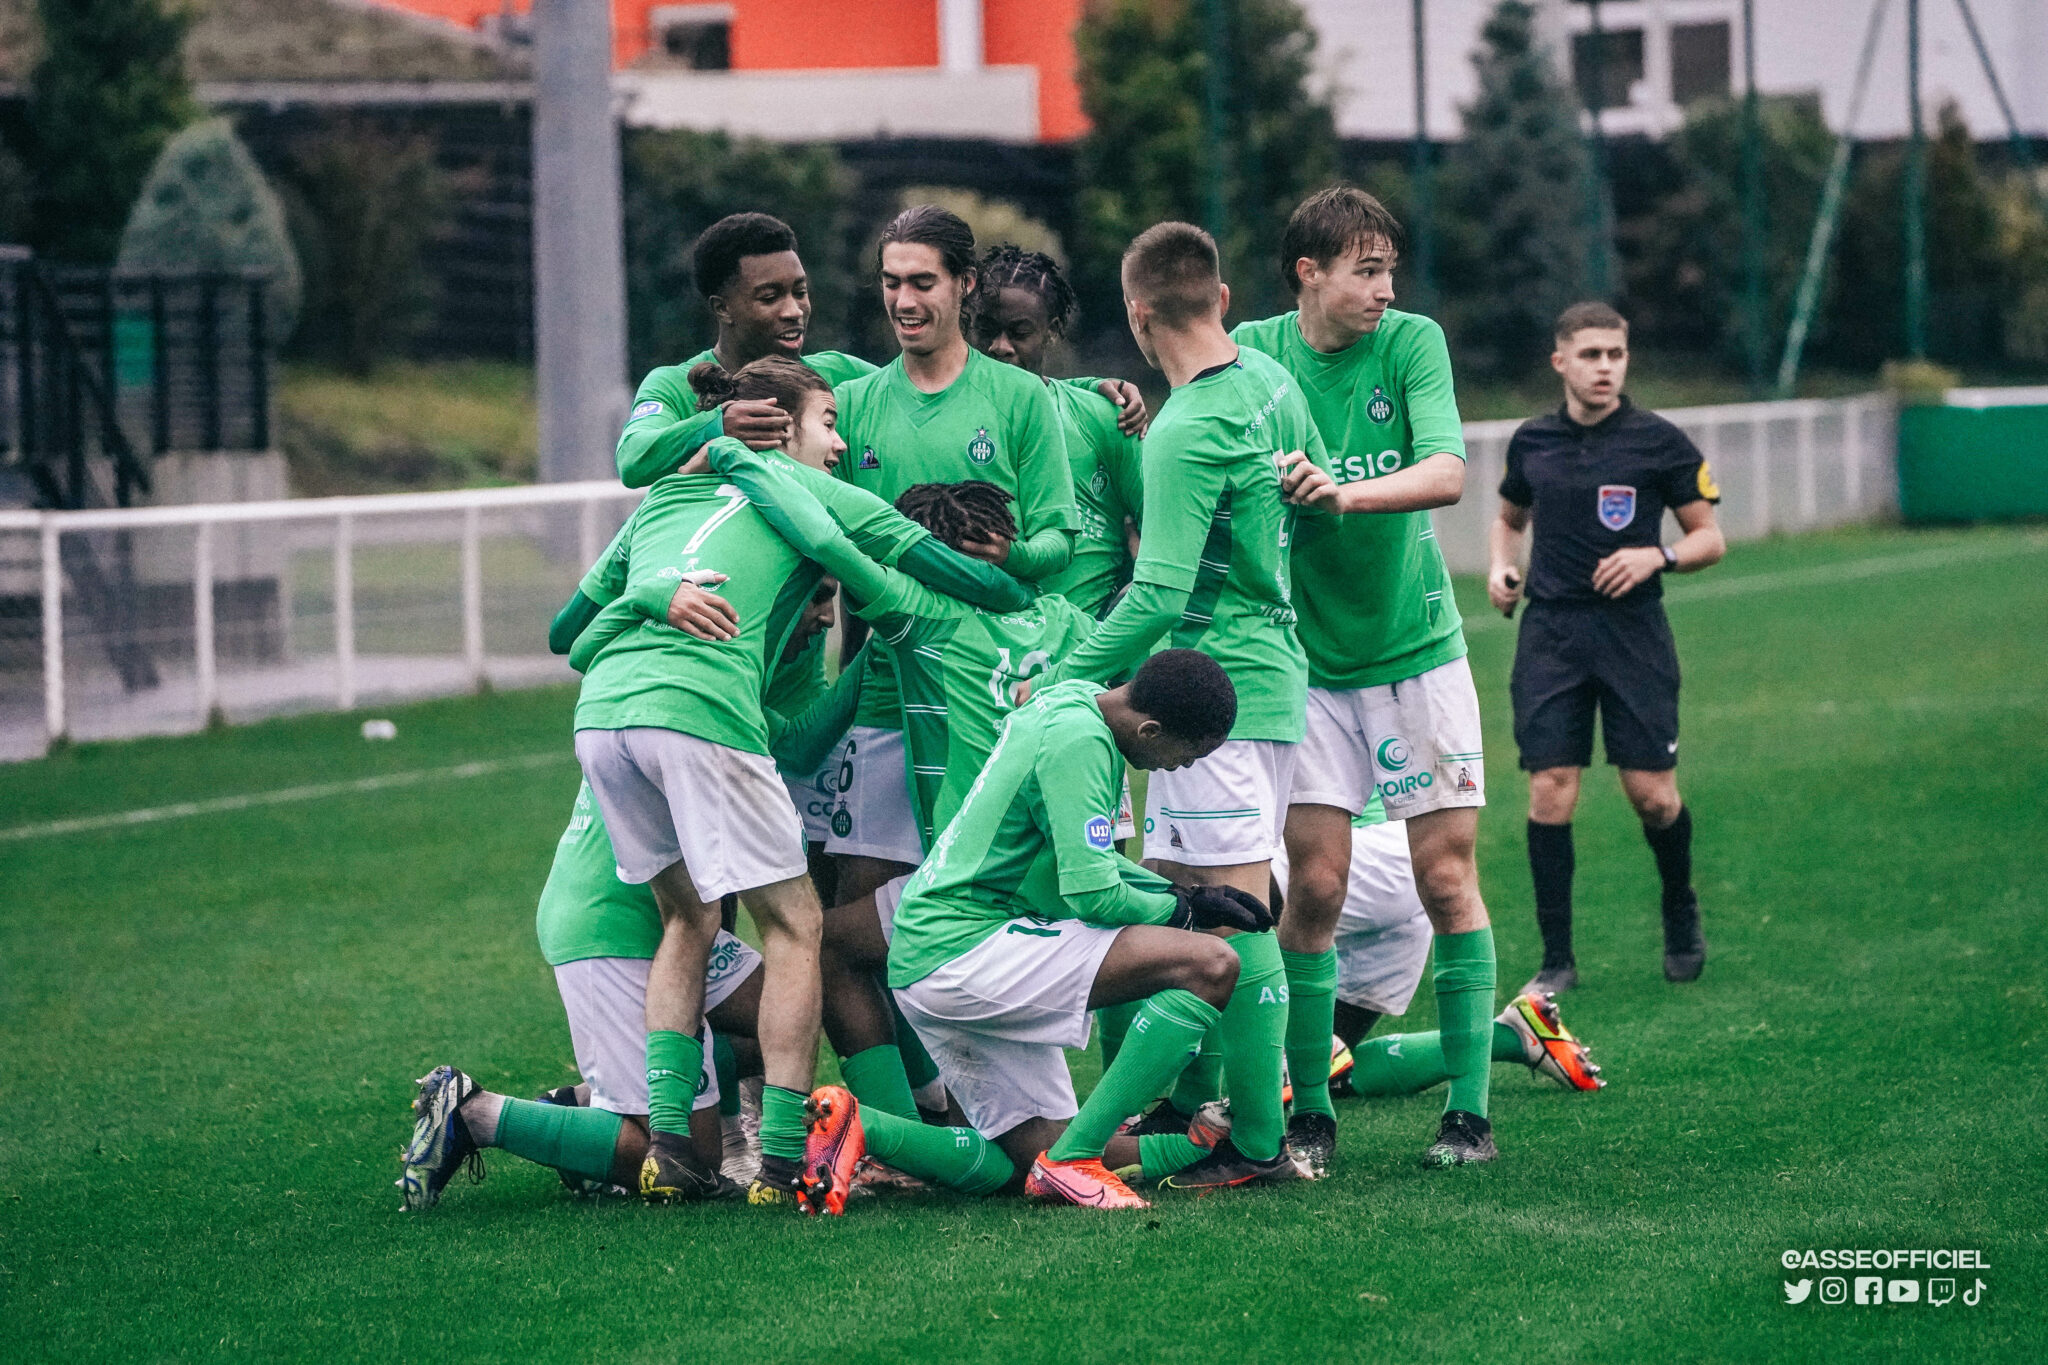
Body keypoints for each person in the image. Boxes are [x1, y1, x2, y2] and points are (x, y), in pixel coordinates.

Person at [1028, 222, 1318, 1190]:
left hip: (1209, 691)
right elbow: (1302, 504)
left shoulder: (1185, 429)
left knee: (1232, 912)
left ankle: (1256, 1145)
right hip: (1270, 668)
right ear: (1222, 299)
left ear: (1137, 314)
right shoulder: (1274, 387)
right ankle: (1190, 1106)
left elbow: (1154, 596)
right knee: (1176, 892)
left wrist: (1069, 675)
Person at [802, 651, 1273, 1214]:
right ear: (1150, 729)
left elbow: (1079, 857)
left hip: (937, 950)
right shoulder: (1082, 744)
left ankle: (861, 1126)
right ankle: (1074, 1162)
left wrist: (1183, 896)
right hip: (964, 949)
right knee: (1211, 964)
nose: (1181, 768)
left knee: (1024, 1159)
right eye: (1187, 754)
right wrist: (1187, 914)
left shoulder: (1069, 704)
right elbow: (1092, 894)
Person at [1245, 186, 1501, 1171]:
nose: (1384, 290)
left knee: (1444, 875)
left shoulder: (1409, 344)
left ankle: (1468, 1117)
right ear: (1306, 273)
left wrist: (1339, 492)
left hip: (1413, 654)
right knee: (1310, 886)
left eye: (1387, 269)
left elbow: (1445, 470)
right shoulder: (1254, 353)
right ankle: (1307, 1113)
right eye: (1364, 270)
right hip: (1303, 668)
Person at [827, 206, 1079, 909]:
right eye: (891, 282)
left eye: (923, 282)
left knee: (998, 900)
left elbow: (1061, 543)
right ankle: (890, 1030)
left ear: (966, 285)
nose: (904, 301)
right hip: (881, 686)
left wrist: (1011, 551)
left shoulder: (1022, 398)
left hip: (992, 690)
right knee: (857, 916)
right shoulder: (851, 405)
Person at [1488, 302, 1726, 994]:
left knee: (1652, 796)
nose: (1604, 367)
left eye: (1615, 355)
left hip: (1634, 635)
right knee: (1549, 791)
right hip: (1552, 633)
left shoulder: (1660, 441)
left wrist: (1660, 555)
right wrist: (1504, 567)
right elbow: (1509, 520)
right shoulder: (1531, 441)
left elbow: (1710, 537)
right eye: (1590, 354)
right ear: (1560, 361)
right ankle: (1557, 956)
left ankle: (1679, 905)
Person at [1270, 798, 1604, 1106]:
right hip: (1411, 853)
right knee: (1316, 1066)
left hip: (1349, 852)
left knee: (1228, 886)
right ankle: (1509, 1037)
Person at [972, 244, 1146, 618]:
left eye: (1019, 333)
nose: (999, 346)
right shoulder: (949, 421)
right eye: (986, 329)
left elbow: (1163, 542)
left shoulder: (1107, 418)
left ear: (1051, 332)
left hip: (1090, 663)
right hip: (986, 661)